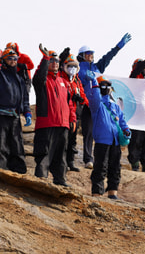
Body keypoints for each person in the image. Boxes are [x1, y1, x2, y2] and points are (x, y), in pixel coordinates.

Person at [77, 33, 132, 169]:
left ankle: (104, 158)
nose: (91, 55)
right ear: (82, 55)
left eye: (92, 53)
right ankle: (88, 159)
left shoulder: (96, 68)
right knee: (88, 132)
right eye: (88, 53)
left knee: (106, 130)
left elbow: (108, 57)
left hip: (100, 105)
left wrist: (119, 46)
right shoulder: (79, 69)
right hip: (86, 104)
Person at [32, 44, 76, 187]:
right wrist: (45, 58)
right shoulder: (43, 80)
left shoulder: (63, 81)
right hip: (46, 123)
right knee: (44, 151)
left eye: (57, 61)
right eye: (52, 61)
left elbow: (69, 103)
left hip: (62, 124)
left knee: (60, 154)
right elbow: (38, 77)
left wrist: (72, 119)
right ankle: (41, 178)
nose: (55, 63)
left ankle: (60, 179)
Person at [84, 73, 131, 199]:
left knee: (115, 168)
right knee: (100, 167)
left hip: (115, 142)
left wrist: (126, 130)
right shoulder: (97, 105)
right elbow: (93, 98)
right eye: (102, 85)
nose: (105, 87)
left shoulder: (115, 106)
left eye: (107, 85)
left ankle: (112, 192)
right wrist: (94, 83)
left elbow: (122, 121)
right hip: (102, 141)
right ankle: (97, 192)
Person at [0, 48, 32, 174]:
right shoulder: (1, 75)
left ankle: (19, 171)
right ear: (3, 60)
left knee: (17, 144)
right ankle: (2, 172)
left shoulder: (19, 79)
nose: (13, 61)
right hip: (1, 115)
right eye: (9, 58)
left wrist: (28, 112)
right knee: (1, 144)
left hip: (15, 116)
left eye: (15, 59)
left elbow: (24, 98)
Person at [59, 51, 89, 172]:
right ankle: (62, 162)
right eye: (69, 66)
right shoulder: (61, 78)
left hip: (75, 114)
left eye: (74, 66)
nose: (72, 68)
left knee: (72, 139)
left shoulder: (76, 81)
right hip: (63, 114)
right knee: (63, 140)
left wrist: (83, 101)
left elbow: (82, 94)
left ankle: (70, 161)